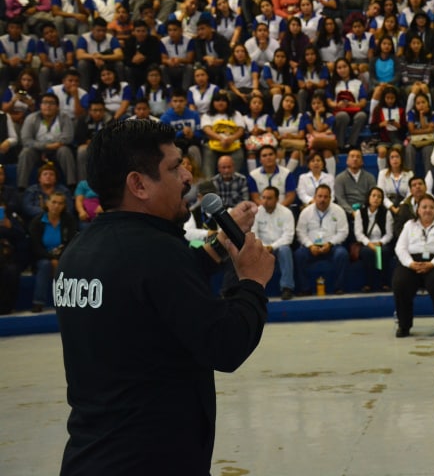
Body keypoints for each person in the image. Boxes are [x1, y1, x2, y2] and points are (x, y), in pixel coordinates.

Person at [55, 119, 273, 474]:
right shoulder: (157, 252)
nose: (188, 177)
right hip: (152, 459)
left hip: (91, 455)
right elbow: (226, 346)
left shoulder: (77, 253)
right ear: (138, 184)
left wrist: (219, 244)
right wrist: (250, 281)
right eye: (174, 168)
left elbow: (156, 291)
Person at [393, 193, 434, 337]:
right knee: (400, 282)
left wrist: (432, 264)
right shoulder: (409, 225)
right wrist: (410, 263)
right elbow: (400, 248)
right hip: (412, 262)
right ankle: (404, 325)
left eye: (431, 207)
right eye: (424, 207)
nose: (427, 210)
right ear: (418, 209)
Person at [27, 190, 77, 312]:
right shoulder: (37, 222)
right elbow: (35, 247)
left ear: (64, 206)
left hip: (64, 256)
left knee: (71, 264)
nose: (56, 205)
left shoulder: (69, 220)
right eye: (54, 202)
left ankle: (70, 302)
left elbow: (71, 243)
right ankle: (38, 302)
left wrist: (59, 258)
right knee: (45, 265)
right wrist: (52, 258)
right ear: (47, 203)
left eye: (60, 203)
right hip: (41, 257)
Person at [294, 183, 350, 294]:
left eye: (325, 197)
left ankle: (339, 287)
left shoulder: (339, 211)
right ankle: (305, 289)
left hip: (332, 246)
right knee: (298, 255)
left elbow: (343, 232)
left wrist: (330, 243)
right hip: (311, 246)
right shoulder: (306, 212)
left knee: (342, 254)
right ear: (314, 197)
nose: (322, 200)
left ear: (330, 198)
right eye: (319, 196)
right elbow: (300, 232)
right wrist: (310, 245)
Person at [251, 185, 296, 300]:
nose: (265, 201)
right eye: (263, 197)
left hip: (278, 247)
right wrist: (262, 246)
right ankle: (255, 290)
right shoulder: (256, 212)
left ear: (277, 199)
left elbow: (288, 236)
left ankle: (287, 287)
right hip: (261, 247)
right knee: (250, 249)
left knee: (285, 250)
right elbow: (253, 234)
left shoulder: (286, 213)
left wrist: (272, 246)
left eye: (269, 198)